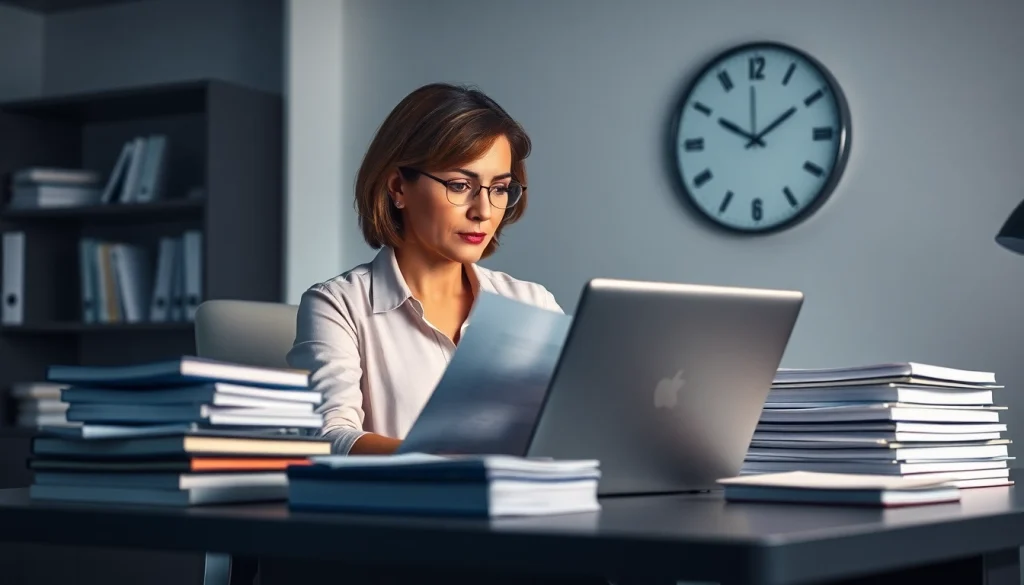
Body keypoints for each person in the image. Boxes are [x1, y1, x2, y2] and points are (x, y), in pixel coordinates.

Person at [286, 82, 563, 456]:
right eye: (461, 184)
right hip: (402, 512)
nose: (483, 211)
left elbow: (577, 421)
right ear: (398, 187)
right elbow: (326, 436)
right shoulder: (339, 305)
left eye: (499, 188)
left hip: (525, 509)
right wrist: (450, 464)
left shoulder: (533, 304)